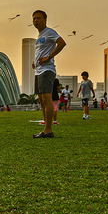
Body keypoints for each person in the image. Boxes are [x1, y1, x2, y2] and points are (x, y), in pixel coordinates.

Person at [31, 10, 66, 138]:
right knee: (41, 99)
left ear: (45, 20)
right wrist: (35, 61)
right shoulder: (39, 37)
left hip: (47, 70)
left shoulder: (50, 32)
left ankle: (48, 129)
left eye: (38, 18)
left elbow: (62, 43)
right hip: (38, 70)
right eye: (34, 18)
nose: (35, 20)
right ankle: (46, 127)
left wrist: (49, 57)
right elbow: (41, 51)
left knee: (47, 99)